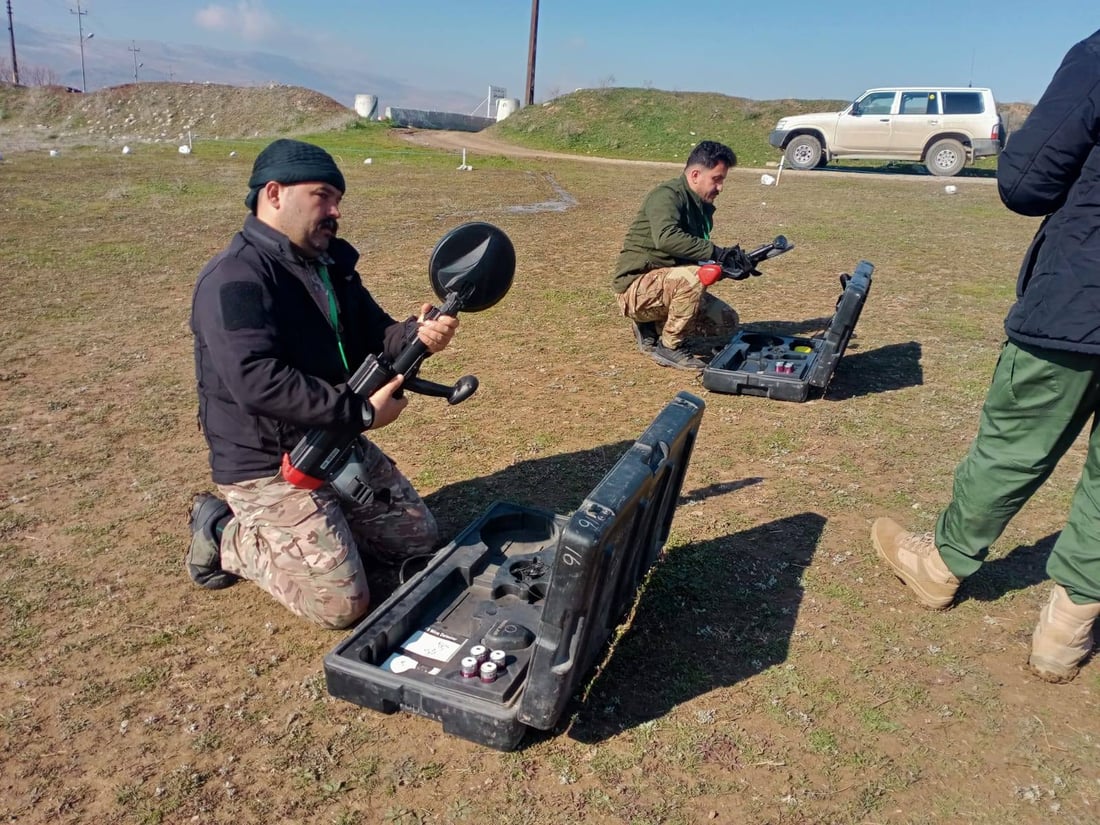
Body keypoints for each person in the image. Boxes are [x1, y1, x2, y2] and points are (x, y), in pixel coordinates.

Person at [871, 29, 1100, 683]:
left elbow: (1025, 181)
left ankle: (941, 564)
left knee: (1013, 443)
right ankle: (1067, 628)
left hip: (1079, 300)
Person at [186, 138, 459, 630]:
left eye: (338, 199)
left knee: (419, 541)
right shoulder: (235, 279)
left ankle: (327, 529)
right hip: (267, 464)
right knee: (341, 605)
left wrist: (415, 333)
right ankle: (223, 530)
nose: (336, 212)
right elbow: (257, 380)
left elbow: (374, 332)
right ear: (274, 194)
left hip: (332, 440)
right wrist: (362, 413)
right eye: (323, 196)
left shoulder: (328, 266)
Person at [610, 139, 757, 370]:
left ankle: (649, 325)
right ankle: (669, 347)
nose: (720, 187)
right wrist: (717, 252)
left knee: (726, 321)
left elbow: (693, 257)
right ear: (696, 175)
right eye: (716, 179)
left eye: (722, 180)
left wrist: (729, 267)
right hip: (634, 289)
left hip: (665, 283)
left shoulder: (699, 206)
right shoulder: (666, 195)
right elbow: (666, 238)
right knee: (693, 278)